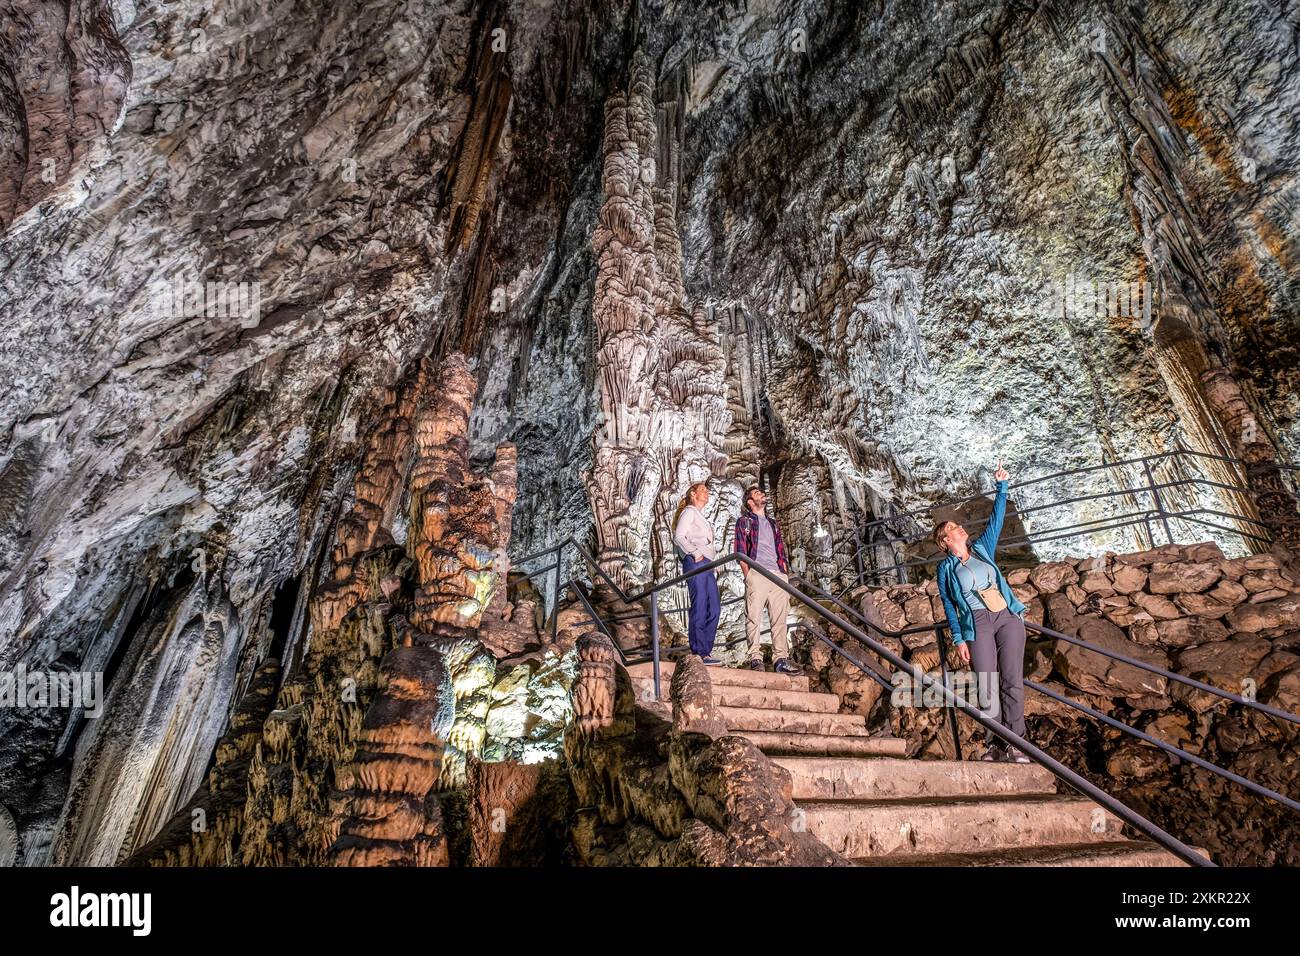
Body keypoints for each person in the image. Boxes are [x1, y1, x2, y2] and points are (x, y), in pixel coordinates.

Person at [934, 460, 1031, 763]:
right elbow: (949, 603)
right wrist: (959, 639)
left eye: (956, 525)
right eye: (952, 528)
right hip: (977, 622)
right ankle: (996, 745)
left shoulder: (983, 549)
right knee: (987, 684)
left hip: (1005, 616)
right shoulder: (945, 568)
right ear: (946, 541)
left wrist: (1001, 485)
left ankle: (1018, 744)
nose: (958, 527)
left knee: (1011, 680)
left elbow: (996, 520)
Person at [734, 486, 803, 675]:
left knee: (780, 618)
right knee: (753, 617)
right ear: (749, 502)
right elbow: (740, 551)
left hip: (778, 574)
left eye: (762, 493)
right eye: (757, 493)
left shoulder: (773, 523)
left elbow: (780, 549)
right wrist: (748, 574)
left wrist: (785, 572)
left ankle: (780, 659)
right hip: (757, 572)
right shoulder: (744, 522)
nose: (762, 494)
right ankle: (755, 657)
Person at [672, 482, 722, 664]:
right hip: (696, 562)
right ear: (692, 494)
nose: (707, 492)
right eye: (703, 490)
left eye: (707, 490)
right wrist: (696, 553)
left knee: (714, 608)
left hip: (708, 565)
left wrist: (712, 563)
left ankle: (706, 650)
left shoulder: (701, 517)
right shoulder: (689, 512)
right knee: (700, 604)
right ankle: (699, 651)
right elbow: (679, 536)